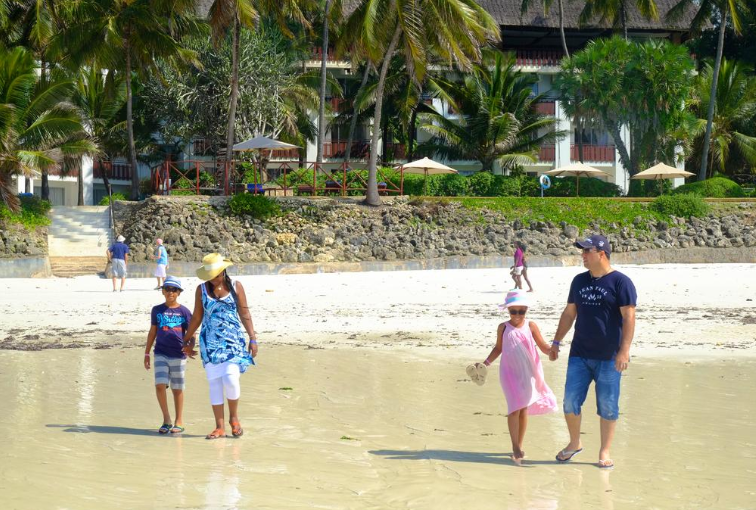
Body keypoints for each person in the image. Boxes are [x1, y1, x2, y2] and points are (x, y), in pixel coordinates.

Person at [550, 234, 637, 469]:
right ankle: (574, 443)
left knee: (608, 405)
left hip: (609, 357)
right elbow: (569, 314)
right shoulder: (579, 281)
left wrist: (624, 351)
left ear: (602, 254)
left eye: (587, 252)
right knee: (569, 401)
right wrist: (556, 341)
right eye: (582, 251)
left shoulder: (621, 282)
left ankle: (604, 450)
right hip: (579, 354)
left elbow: (629, 317)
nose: (583, 256)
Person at [473, 289, 557, 465]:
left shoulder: (531, 326)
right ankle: (515, 447)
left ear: (526, 310)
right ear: (508, 311)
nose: (517, 315)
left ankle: (520, 443)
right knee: (514, 408)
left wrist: (552, 351)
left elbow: (542, 346)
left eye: (521, 311)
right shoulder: (503, 327)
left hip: (528, 373)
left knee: (523, 409)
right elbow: (498, 348)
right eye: (513, 311)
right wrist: (485, 364)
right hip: (509, 373)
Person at [183, 253, 258, 440]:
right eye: (210, 276)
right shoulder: (201, 290)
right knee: (215, 383)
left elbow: (245, 313)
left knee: (231, 379)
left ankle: (234, 418)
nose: (213, 279)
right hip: (210, 344)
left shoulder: (236, 287)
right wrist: (186, 339)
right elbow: (197, 317)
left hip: (233, 342)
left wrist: (253, 337)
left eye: (216, 275)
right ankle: (219, 427)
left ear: (223, 272)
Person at [143, 276, 194, 434]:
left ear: (179, 292)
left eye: (174, 289)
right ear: (163, 291)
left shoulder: (184, 311)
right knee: (160, 385)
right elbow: (152, 332)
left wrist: (190, 347)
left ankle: (179, 420)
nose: (170, 292)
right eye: (167, 289)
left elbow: (191, 334)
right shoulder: (157, 310)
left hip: (178, 355)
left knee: (177, 388)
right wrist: (146, 353)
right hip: (160, 353)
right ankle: (166, 420)